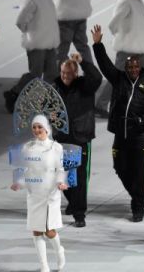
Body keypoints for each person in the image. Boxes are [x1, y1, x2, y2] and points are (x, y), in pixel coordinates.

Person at [91, 24, 144, 222]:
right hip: (120, 134)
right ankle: (136, 195)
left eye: (135, 67)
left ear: (140, 68)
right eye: (129, 67)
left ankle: (138, 207)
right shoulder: (119, 79)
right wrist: (98, 45)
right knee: (119, 166)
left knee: (139, 171)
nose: (132, 70)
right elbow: (105, 65)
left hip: (139, 136)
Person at [95, 0, 144, 116]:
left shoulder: (136, 0)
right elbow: (113, 24)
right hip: (127, 49)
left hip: (139, 48)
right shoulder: (126, 2)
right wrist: (124, 32)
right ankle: (98, 104)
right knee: (115, 78)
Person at [11, 115, 68, 272]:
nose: (37, 130)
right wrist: (19, 183)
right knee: (36, 230)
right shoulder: (27, 147)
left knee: (49, 231)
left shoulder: (56, 148)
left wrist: (61, 182)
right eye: (34, 127)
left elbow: (60, 169)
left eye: (39, 127)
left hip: (50, 193)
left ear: (47, 128)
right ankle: (44, 265)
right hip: (34, 193)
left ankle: (59, 251)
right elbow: (24, 169)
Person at [52, 52, 102, 227]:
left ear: (76, 73)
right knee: (61, 175)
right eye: (63, 72)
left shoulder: (85, 86)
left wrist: (83, 61)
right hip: (61, 137)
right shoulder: (54, 87)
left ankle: (79, 214)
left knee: (79, 176)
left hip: (80, 137)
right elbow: (47, 108)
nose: (65, 76)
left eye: (69, 73)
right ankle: (73, 202)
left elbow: (96, 77)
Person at [4, 0, 60, 113]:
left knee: (52, 73)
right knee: (35, 74)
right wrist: (32, 33)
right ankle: (13, 93)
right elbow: (20, 21)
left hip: (49, 43)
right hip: (37, 43)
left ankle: (44, 100)